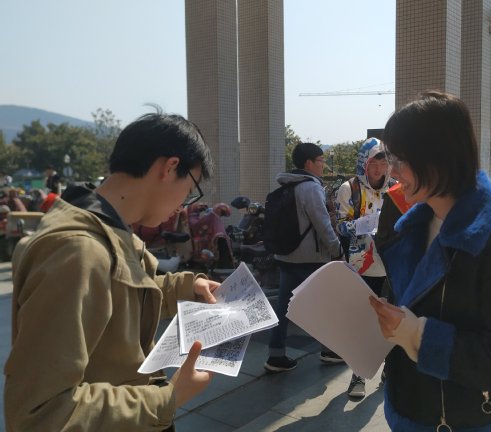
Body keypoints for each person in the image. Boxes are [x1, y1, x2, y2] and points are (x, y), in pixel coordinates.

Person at [4, 113, 221, 431]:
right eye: (189, 191)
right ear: (170, 167)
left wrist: (187, 287)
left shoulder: (106, 225)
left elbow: (120, 292)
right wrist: (169, 398)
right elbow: (41, 413)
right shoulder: (77, 250)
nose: (182, 206)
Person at [369, 91, 491, 431]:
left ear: (437, 158)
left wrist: (417, 335)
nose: (393, 172)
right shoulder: (416, 228)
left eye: (400, 159)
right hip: (415, 412)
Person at [264, 142, 343, 372]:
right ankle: (330, 351)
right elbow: (323, 224)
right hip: (311, 259)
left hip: (286, 255)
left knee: (284, 307)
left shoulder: (287, 185)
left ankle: (275, 355)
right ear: (309, 163)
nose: (323, 165)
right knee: (324, 305)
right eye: (321, 161)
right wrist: (337, 249)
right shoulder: (310, 188)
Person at [334, 137, 394, 397]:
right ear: (364, 164)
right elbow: (340, 226)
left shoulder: (396, 188)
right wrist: (365, 224)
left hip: (391, 264)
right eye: (373, 164)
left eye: (383, 163)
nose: (379, 169)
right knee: (361, 322)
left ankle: (389, 368)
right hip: (361, 265)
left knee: (392, 319)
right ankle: (358, 375)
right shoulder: (349, 189)